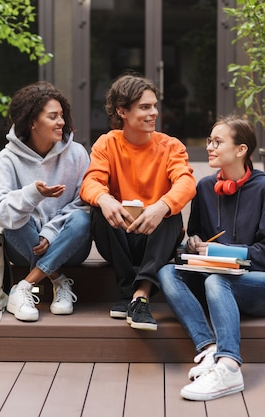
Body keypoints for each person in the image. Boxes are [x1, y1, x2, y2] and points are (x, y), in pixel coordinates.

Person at [157, 115, 265, 401]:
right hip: (214, 279)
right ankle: (209, 349)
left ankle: (230, 365)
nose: (210, 147)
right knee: (167, 273)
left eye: (217, 142)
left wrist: (221, 253)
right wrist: (192, 244)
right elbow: (195, 239)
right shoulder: (205, 188)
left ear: (241, 150)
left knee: (219, 280)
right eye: (209, 141)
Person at [80, 74, 196, 331]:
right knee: (100, 210)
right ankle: (126, 293)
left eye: (154, 106)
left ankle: (139, 295)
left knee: (171, 214)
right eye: (145, 107)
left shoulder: (171, 146)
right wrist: (105, 199)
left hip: (156, 239)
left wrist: (161, 206)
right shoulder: (107, 143)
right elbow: (90, 184)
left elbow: (186, 183)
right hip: (120, 237)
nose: (154, 113)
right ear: (122, 111)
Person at [0, 81, 92, 322]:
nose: (61, 122)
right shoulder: (8, 158)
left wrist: (51, 234)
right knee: (15, 220)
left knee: (82, 219)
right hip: (24, 246)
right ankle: (58, 281)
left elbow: (84, 202)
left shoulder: (77, 154)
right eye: (53, 116)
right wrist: (32, 195)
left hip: (70, 245)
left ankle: (24, 286)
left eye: (62, 115)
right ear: (32, 122)